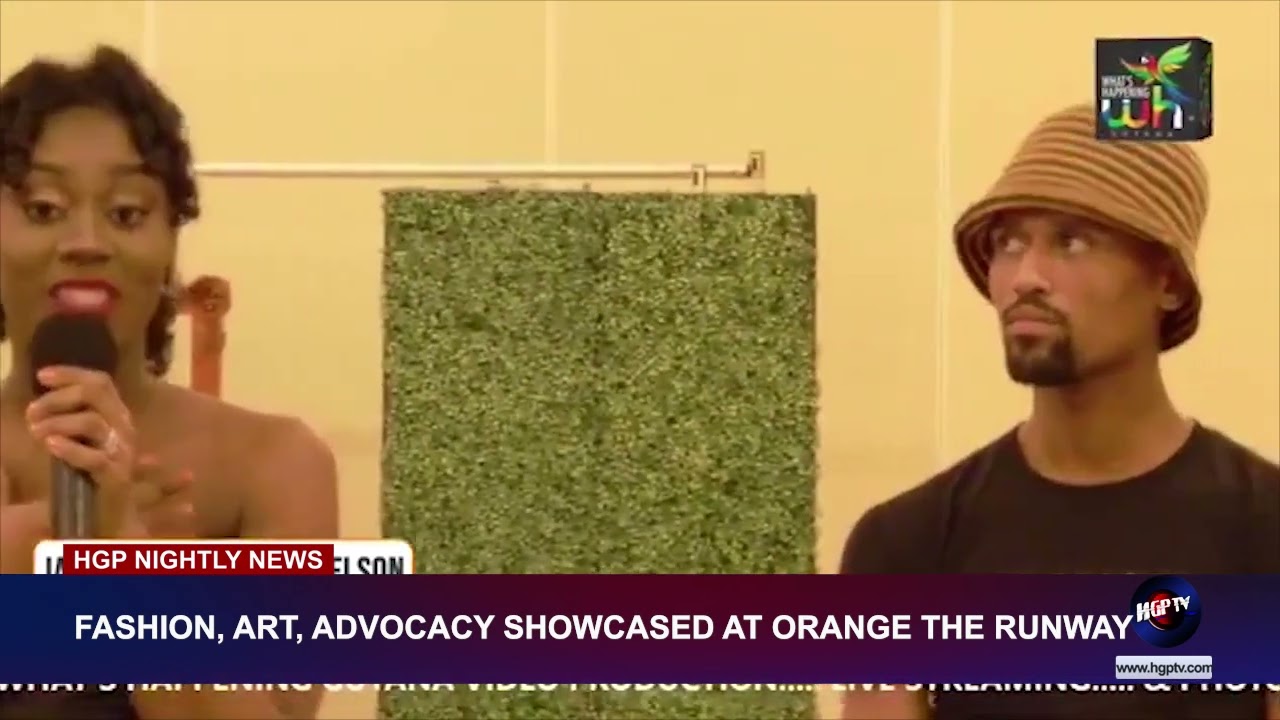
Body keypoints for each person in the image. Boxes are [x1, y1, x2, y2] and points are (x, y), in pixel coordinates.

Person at [839, 103, 1280, 720]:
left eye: (1071, 241)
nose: (1026, 277)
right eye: (1009, 243)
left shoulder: (1261, 528)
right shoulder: (905, 544)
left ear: (1168, 283)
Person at [0, 46, 338, 719]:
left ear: (171, 244)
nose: (86, 241)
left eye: (127, 212)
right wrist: (38, 536)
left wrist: (127, 552)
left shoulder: (273, 462)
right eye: (43, 209)